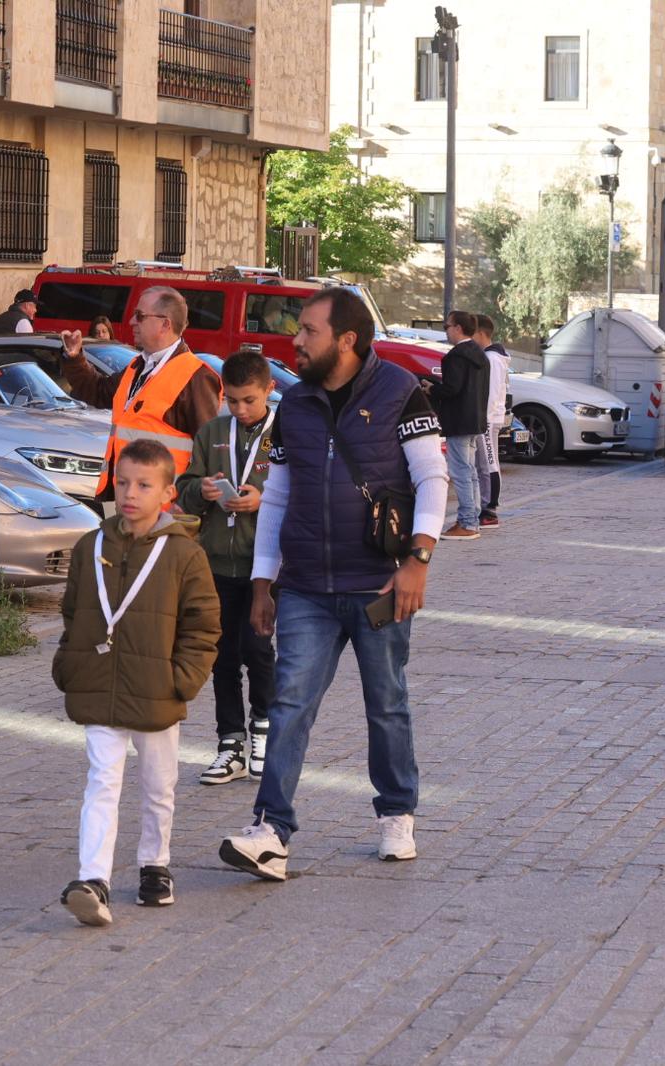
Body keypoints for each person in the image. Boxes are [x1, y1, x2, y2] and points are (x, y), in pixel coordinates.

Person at [219, 286, 448, 882]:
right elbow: (277, 499)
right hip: (306, 590)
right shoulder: (291, 407)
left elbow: (432, 478)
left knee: (386, 705)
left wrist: (418, 560)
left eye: (309, 331)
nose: (295, 341)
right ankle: (271, 830)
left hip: (379, 586)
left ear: (346, 340)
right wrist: (264, 581)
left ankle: (397, 813)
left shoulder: (401, 391)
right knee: (289, 702)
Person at [53, 439, 220, 926]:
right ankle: (92, 879)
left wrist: (181, 680)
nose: (130, 493)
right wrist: (69, 664)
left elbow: (203, 625)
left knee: (157, 784)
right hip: (98, 683)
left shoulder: (185, 555)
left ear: (168, 492)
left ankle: (155, 864)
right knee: (101, 780)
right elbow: (73, 611)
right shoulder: (92, 546)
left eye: (144, 485)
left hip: (157, 690)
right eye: (123, 482)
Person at [176, 349, 278, 785]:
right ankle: (229, 743)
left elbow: (306, 493)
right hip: (217, 561)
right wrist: (201, 489)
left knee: (258, 652)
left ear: (269, 391)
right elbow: (183, 490)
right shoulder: (213, 431)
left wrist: (263, 499)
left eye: (249, 400)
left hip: (265, 566)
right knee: (222, 657)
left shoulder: (286, 433)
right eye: (232, 400)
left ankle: (263, 732)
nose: (240, 409)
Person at [59, 286, 222, 509]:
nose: (131, 322)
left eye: (140, 316)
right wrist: (75, 358)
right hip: (127, 499)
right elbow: (98, 391)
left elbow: (210, 455)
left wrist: (187, 505)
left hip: (166, 510)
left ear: (165, 324)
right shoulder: (138, 366)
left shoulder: (196, 377)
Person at [435, 309, 490, 541]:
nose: (446, 331)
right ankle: (472, 518)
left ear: (458, 328)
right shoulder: (481, 355)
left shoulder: (456, 357)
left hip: (458, 421)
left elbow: (452, 389)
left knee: (460, 472)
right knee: (471, 472)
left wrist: (432, 389)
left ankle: (467, 523)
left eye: (447, 326)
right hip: (475, 420)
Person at [473, 314, 510, 530]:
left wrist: (483, 418)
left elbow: (492, 392)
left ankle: (489, 509)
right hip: (487, 418)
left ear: (480, 333)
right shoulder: (491, 357)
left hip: (487, 420)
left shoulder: (492, 360)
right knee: (485, 462)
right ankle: (486, 505)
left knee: (488, 462)